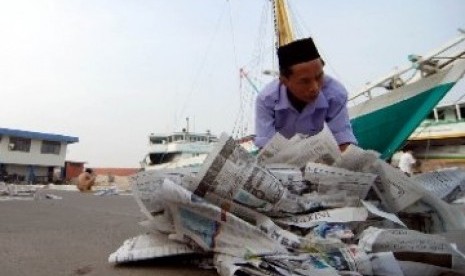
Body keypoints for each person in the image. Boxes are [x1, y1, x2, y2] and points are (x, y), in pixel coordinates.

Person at [254, 37, 357, 151]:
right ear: (284, 81)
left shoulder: (336, 94)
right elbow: (266, 149)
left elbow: (343, 143)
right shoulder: (266, 100)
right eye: (304, 81)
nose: (315, 87)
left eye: (319, 77)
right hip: (285, 160)